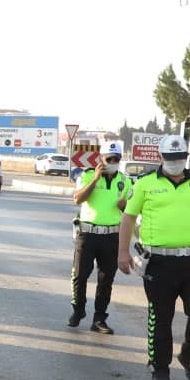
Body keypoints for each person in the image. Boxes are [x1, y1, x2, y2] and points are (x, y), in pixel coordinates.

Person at [116, 134, 190, 380]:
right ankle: (160, 367)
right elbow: (128, 218)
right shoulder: (145, 183)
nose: (175, 162)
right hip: (159, 263)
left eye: (180, 158)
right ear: (161, 157)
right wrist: (122, 252)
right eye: (170, 158)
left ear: (186, 157)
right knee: (161, 317)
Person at [68, 141, 129, 334]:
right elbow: (78, 199)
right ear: (101, 159)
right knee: (80, 275)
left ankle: (99, 319)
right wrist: (95, 180)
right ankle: (78, 310)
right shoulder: (86, 175)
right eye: (109, 159)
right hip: (88, 234)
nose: (112, 162)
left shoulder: (125, 181)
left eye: (116, 159)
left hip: (112, 235)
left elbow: (131, 210)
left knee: (106, 279)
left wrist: (125, 206)